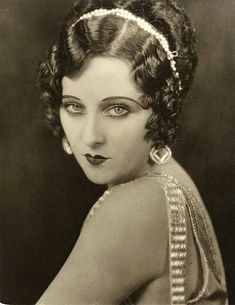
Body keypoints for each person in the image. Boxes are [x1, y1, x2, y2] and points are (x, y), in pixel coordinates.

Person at [36, 0, 228, 304]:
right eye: (74, 106)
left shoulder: (135, 207)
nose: (90, 136)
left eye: (117, 108)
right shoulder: (171, 181)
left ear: (161, 112)